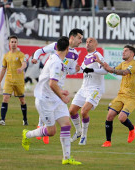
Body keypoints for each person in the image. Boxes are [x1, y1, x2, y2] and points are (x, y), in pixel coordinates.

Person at [21, 36, 82, 165]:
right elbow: (52, 84)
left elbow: (55, 84)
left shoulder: (57, 59)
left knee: (66, 125)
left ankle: (66, 158)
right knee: (51, 131)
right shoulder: (56, 62)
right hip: (45, 100)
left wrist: (61, 92)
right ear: (67, 48)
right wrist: (63, 96)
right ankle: (27, 135)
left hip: (55, 97)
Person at [31, 28, 83, 144]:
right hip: (49, 81)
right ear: (72, 37)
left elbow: (69, 71)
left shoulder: (75, 55)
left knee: (57, 114)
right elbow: (40, 51)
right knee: (46, 101)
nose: (80, 41)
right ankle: (41, 127)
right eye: (79, 38)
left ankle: (44, 129)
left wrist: (76, 70)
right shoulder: (57, 45)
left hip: (58, 83)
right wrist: (35, 58)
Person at [96, 45, 135, 147]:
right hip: (121, 95)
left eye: (126, 51)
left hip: (133, 97)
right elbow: (111, 70)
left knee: (121, 118)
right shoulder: (123, 63)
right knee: (110, 115)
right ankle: (108, 141)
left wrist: (111, 69)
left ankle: (131, 128)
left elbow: (124, 72)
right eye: (123, 51)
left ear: (132, 54)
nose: (123, 52)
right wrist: (101, 63)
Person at [69, 37, 108, 145]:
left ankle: (84, 137)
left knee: (84, 111)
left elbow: (105, 71)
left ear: (96, 44)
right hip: (84, 88)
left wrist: (93, 70)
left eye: (90, 42)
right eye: (86, 42)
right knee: (72, 111)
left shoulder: (98, 55)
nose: (87, 43)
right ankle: (78, 131)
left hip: (95, 89)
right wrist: (78, 69)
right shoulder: (87, 56)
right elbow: (83, 69)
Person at [0, 35, 28, 126]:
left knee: (22, 100)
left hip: (19, 81)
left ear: (17, 43)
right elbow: (3, 69)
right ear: (9, 43)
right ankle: (2, 120)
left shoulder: (21, 55)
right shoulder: (6, 56)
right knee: (5, 98)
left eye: (15, 42)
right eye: (12, 42)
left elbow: (24, 64)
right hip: (8, 80)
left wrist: (21, 68)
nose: (13, 44)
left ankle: (25, 119)